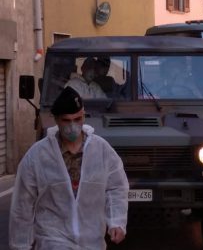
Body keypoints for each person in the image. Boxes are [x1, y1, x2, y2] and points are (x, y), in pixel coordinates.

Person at [9, 86, 129, 249]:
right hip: (52, 241)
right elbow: (22, 205)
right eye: (66, 120)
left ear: (84, 116)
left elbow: (116, 187)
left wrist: (116, 221)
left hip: (92, 242)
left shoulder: (102, 150)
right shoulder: (37, 156)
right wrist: (20, 244)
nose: (72, 126)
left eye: (77, 119)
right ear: (56, 120)